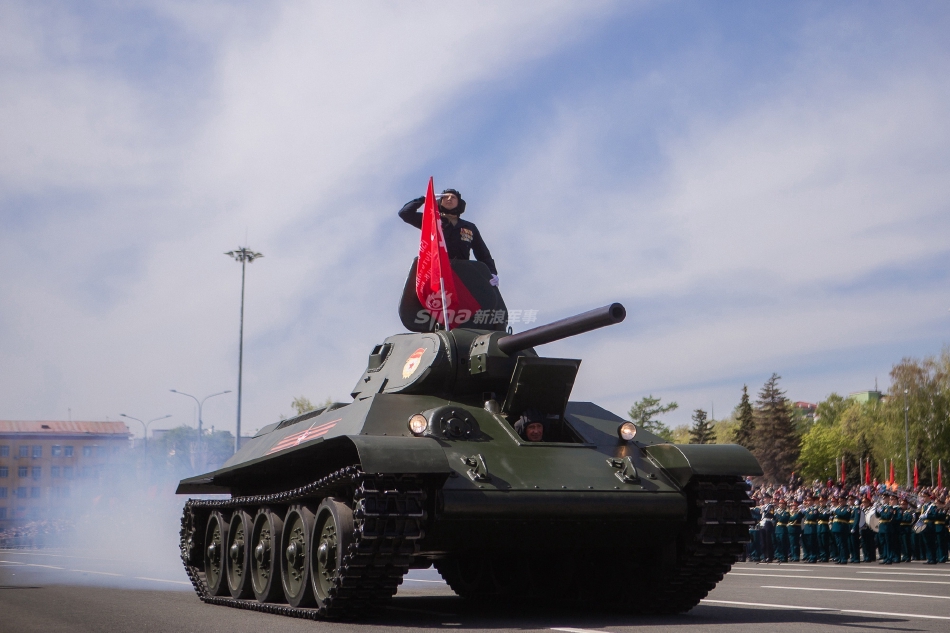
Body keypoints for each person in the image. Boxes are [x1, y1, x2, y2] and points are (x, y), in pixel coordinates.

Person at [398, 189, 499, 285]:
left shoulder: (469, 227)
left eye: (453, 197)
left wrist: (491, 272)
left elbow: (482, 253)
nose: (449, 199)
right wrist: (424, 199)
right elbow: (405, 213)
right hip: (435, 272)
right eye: (445, 197)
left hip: (461, 273)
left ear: (459, 202)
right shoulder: (431, 220)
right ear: (440, 201)